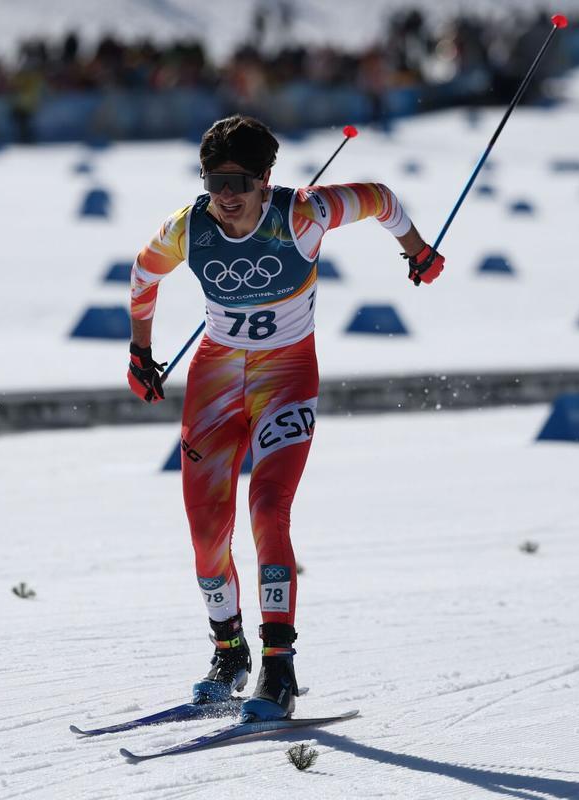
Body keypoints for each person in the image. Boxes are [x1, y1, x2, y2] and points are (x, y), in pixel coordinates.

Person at [126, 115, 443, 722]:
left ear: (265, 178)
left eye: (239, 181)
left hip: (287, 379)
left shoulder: (303, 214)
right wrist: (140, 352)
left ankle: (279, 666)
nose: (225, 195)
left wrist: (417, 250)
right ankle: (228, 653)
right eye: (214, 179)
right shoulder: (187, 227)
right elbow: (142, 278)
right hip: (216, 381)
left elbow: (380, 199)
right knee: (205, 531)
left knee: (268, 507)